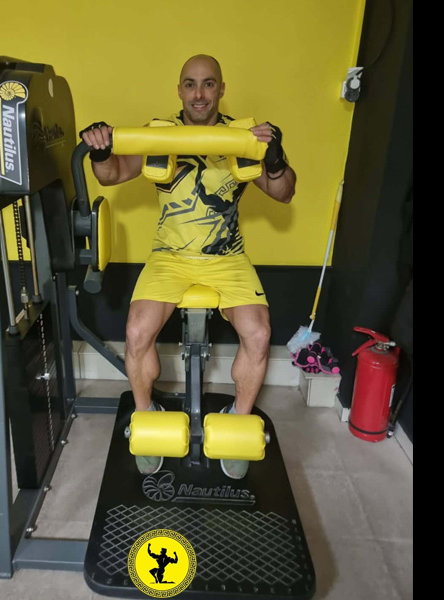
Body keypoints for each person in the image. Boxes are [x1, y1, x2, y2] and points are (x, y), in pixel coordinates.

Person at [80, 54, 296, 479]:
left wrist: (274, 158)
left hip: (227, 258)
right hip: (169, 257)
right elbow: (111, 174)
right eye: (191, 84)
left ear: (221, 89)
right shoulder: (159, 135)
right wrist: (101, 152)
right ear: (179, 90)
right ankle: (148, 417)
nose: (200, 93)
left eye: (208, 84)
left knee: (258, 334)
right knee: (137, 332)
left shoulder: (242, 137)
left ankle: (237, 422)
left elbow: (284, 193)